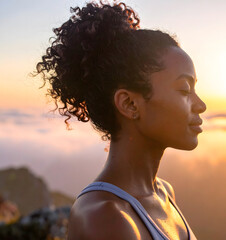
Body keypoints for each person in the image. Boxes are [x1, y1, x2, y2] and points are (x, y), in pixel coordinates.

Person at [36, 1, 206, 239]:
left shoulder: (164, 192)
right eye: (184, 90)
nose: (201, 105)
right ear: (129, 104)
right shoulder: (104, 217)